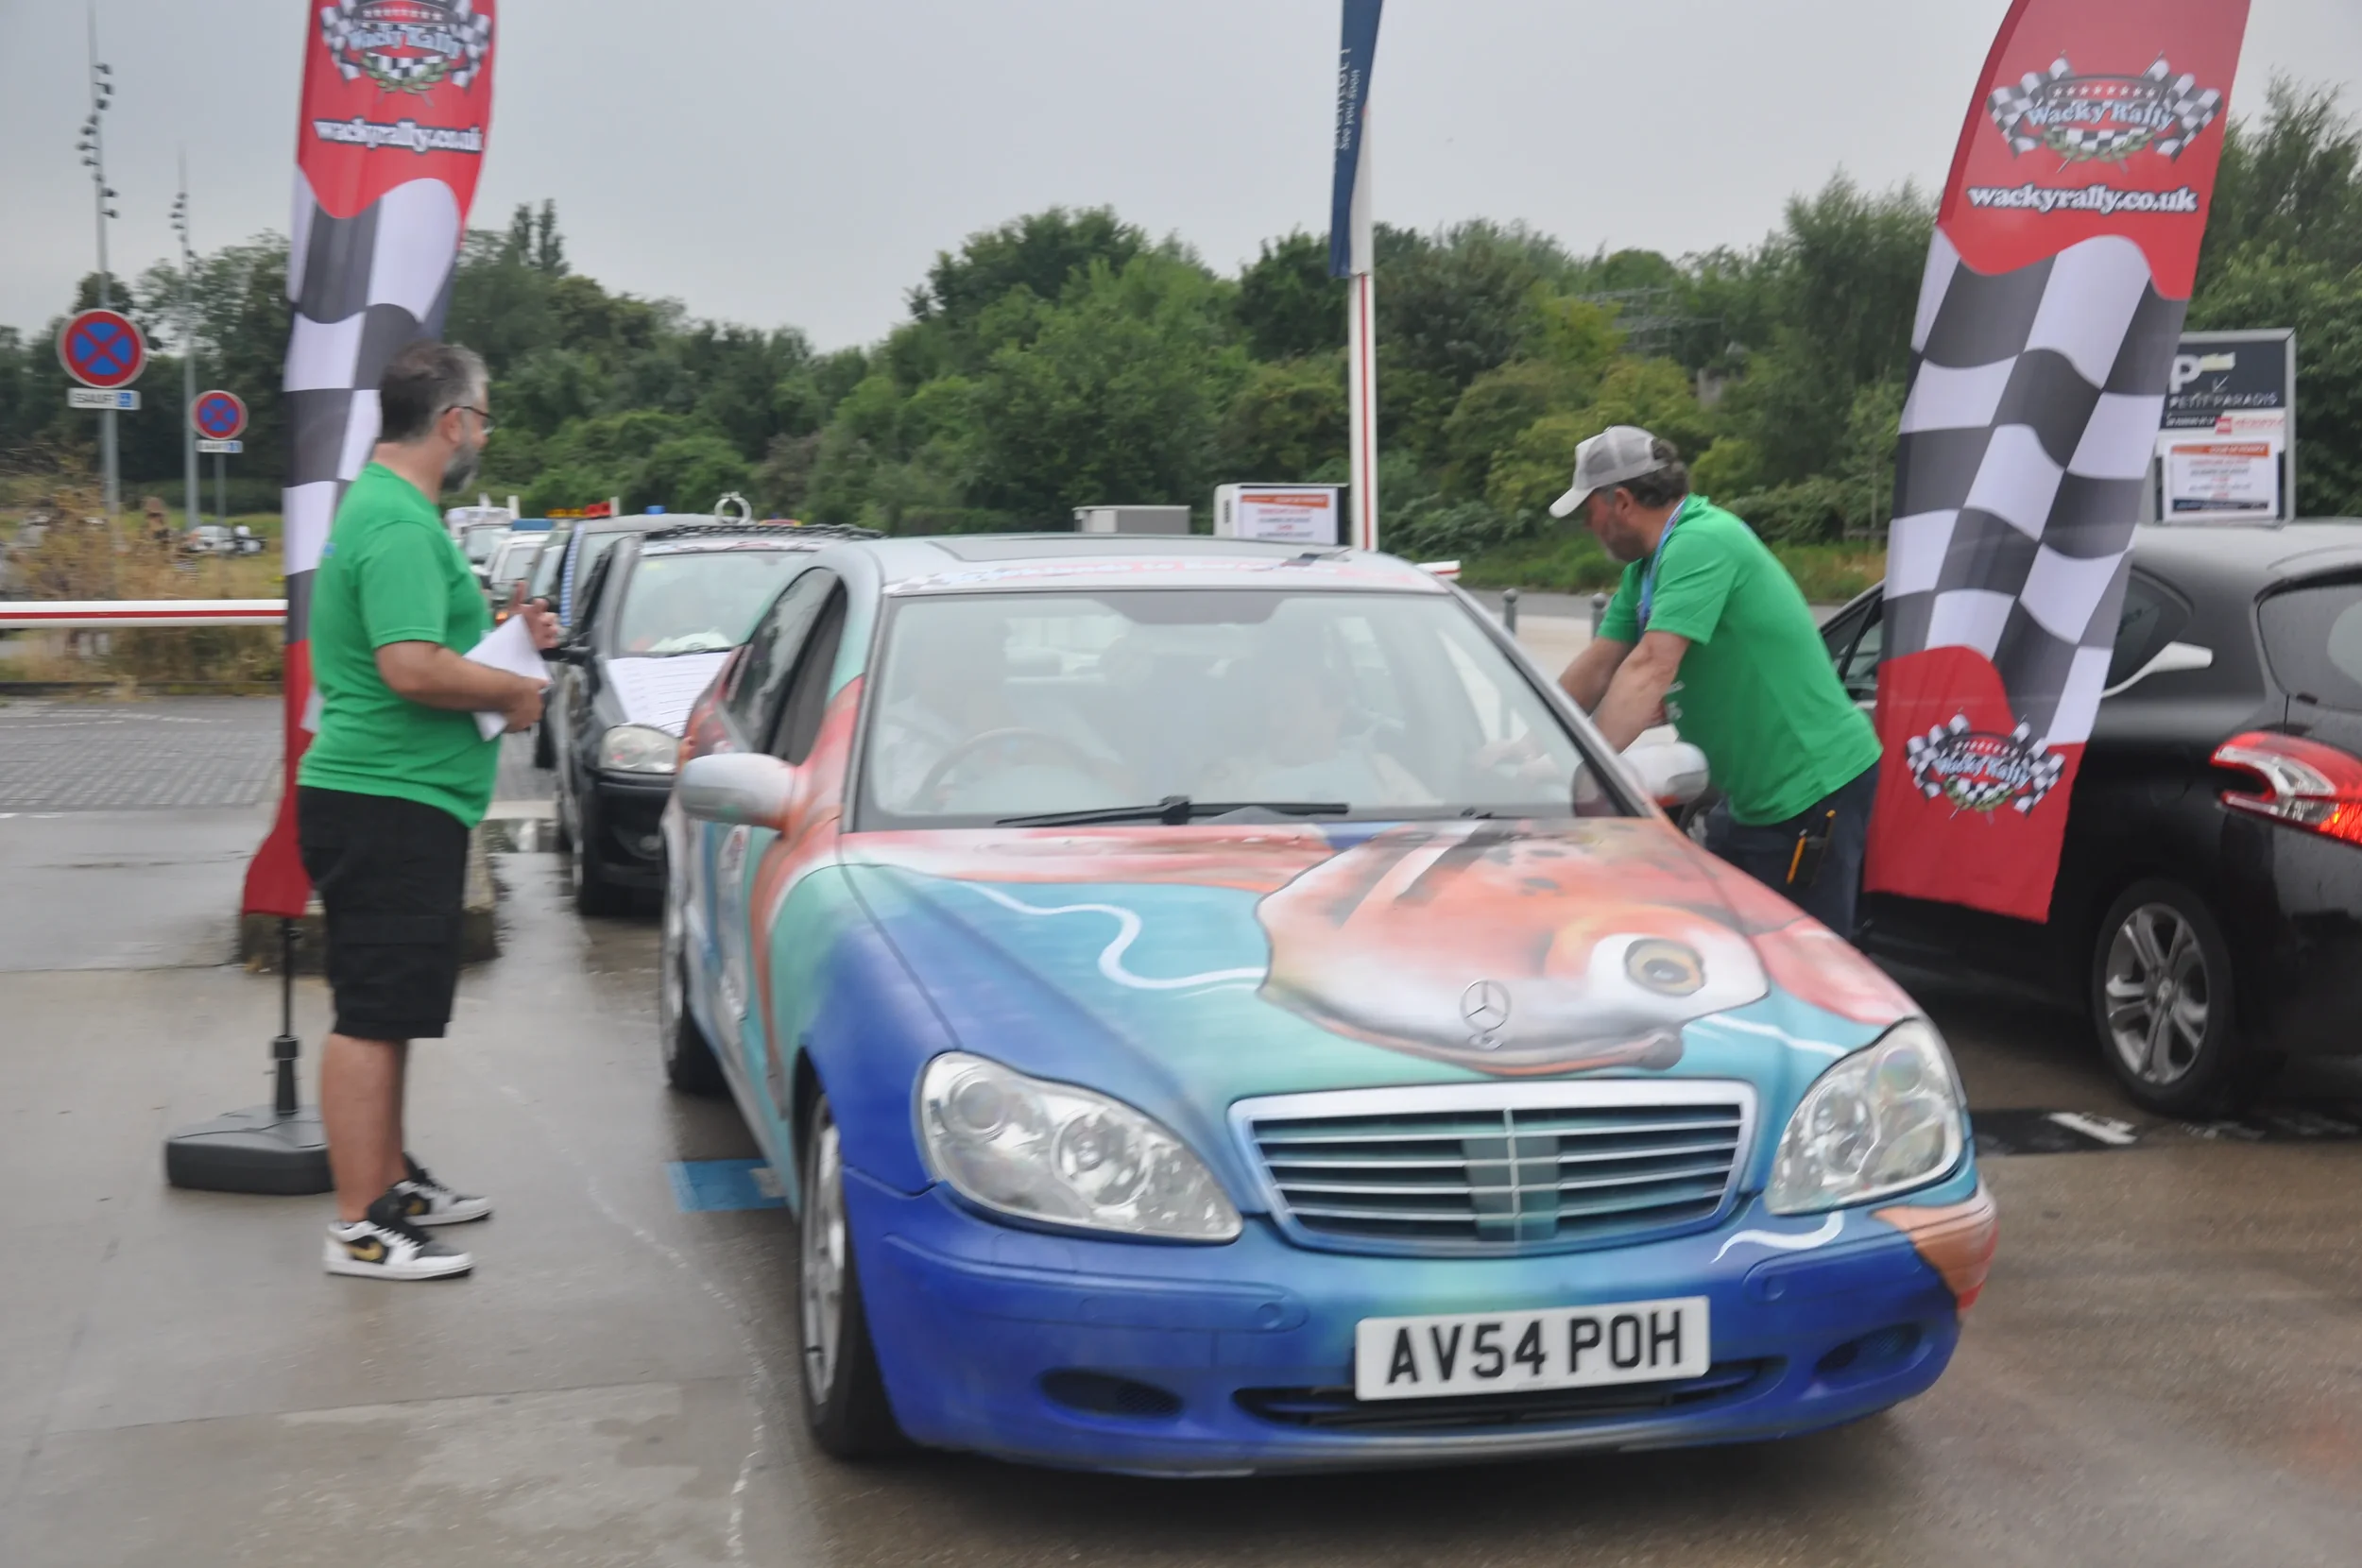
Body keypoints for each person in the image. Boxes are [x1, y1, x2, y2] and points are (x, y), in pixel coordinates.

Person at [296, 340, 558, 1281]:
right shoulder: (401, 523)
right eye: (483, 417)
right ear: (452, 423)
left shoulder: (386, 509)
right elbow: (410, 668)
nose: (483, 433)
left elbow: (417, 646)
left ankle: (389, 1181)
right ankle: (361, 1223)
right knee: (370, 1011)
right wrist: (516, 692)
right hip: (385, 799)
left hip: (398, 797)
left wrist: (508, 643)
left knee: (392, 1004)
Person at [1551, 426, 1882, 935]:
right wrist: (1538, 739)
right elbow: (1600, 664)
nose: (1586, 526)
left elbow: (1650, 666)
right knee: (1725, 947)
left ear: (1619, 501)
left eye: (1586, 510)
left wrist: (1583, 776)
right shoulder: (1646, 569)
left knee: (1803, 966)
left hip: (1812, 790)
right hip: (1750, 799)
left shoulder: (1702, 541)